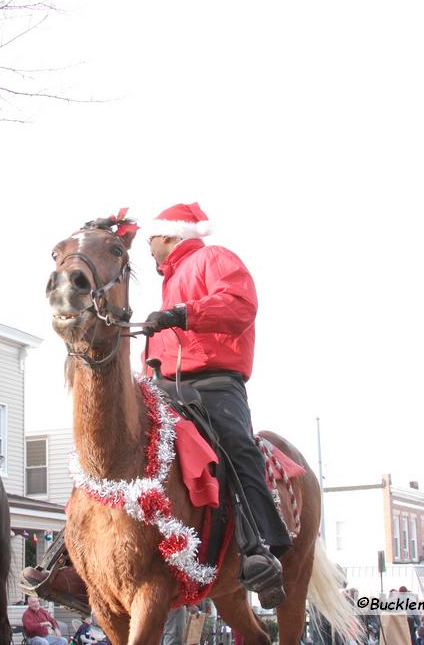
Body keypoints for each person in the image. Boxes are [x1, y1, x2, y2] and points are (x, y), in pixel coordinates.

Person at [140, 202, 290, 608]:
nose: (147, 246)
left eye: (151, 238)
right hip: (163, 386)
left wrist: (182, 313)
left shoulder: (213, 257)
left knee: (235, 446)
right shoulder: (168, 281)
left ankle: (261, 547)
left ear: (171, 236)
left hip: (213, 383)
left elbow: (240, 306)